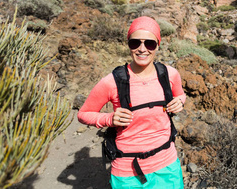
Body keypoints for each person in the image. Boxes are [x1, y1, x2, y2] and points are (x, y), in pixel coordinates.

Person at [78, 16, 186, 188]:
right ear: (128, 44)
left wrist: (179, 102)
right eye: (135, 43)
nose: (142, 49)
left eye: (149, 43)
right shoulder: (112, 81)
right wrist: (109, 119)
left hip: (168, 166)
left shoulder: (169, 74)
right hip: (127, 173)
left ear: (158, 45)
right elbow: (83, 114)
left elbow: (180, 95)